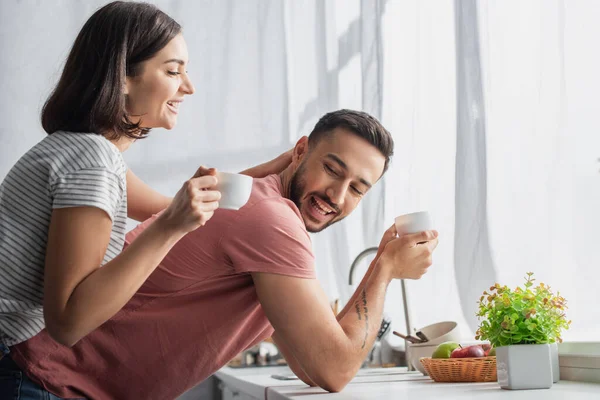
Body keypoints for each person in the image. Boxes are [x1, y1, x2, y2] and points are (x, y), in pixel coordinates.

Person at [6, 109, 439, 399]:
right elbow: (334, 370)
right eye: (332, 169)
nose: (337, 195)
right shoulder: (274, 223)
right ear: (302, 151)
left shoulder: (254, 203)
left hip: (44, 379)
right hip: (47, 386)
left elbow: (311, 365)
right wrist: (384, 268)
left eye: (358, 189)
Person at [0, 0, 290, 392]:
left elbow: (174, 209)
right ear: (122, 77)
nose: (189, 86)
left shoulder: (80, 149)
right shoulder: (93, 160)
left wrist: (276, 171)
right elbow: (67, 322)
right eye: (173, 71)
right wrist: (170, 228)